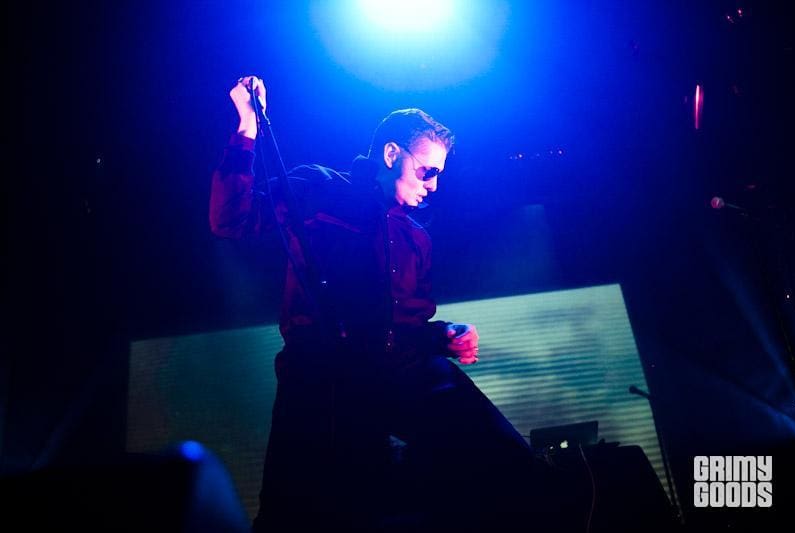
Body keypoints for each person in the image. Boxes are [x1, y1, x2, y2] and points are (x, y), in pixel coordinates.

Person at [210, 76, 546, 532]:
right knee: (295, 514)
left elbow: (407, 325)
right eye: (427, 171)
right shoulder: (320, 190)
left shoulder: (415, 238)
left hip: (392, 376)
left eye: (439, 175)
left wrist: (442, 335)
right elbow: (231, 218)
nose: (434, 185)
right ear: (391, 155)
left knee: (506, 461)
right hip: (319, 381)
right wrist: (247, 128)